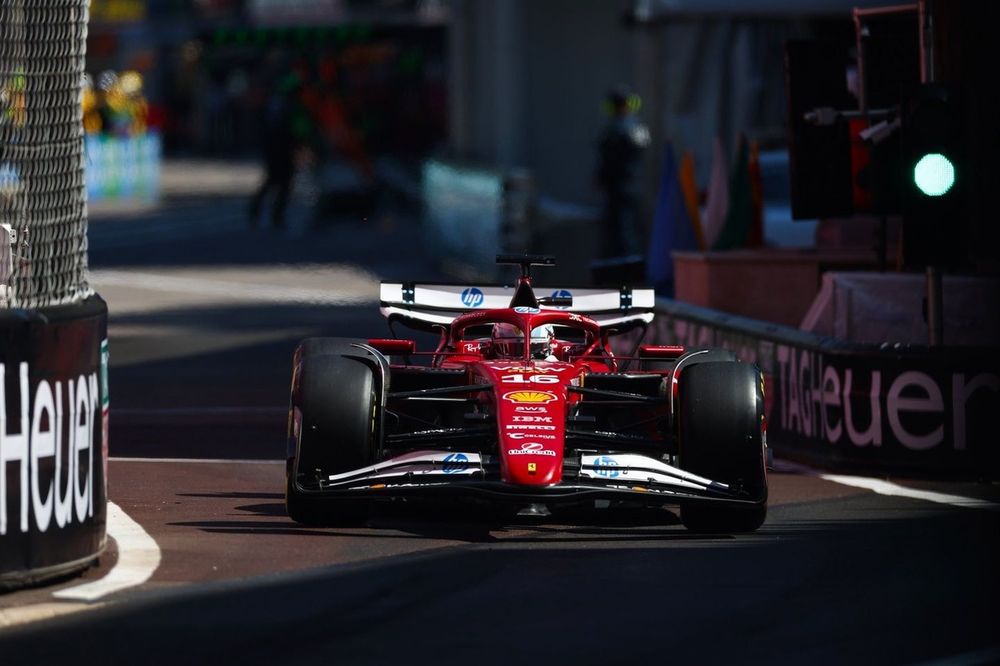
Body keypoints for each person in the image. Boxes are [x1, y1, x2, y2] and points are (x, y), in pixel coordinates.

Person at [594, 85, 650, 258]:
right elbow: (605, 157)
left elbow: (642, 144)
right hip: (614, 188)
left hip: (627, 186)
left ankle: (629, 267)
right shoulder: (612, 129)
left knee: (627, 232)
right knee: (613, 233)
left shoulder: (633, 127)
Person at [248, 73, 306, 229]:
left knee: (277, 181)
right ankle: (266, 212)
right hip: (279, 148)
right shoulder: (283, 104)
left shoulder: (280, 103)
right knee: (278, 181)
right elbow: (289, 128)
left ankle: (268, 213)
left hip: (279, 147)